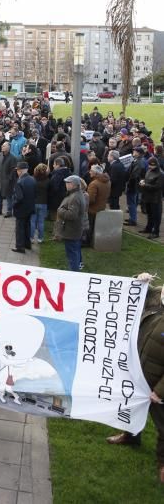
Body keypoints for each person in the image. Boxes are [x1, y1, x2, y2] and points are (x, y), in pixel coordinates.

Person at [106, 272, 164, 483]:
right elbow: (133, 295)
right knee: (131, 407)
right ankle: (130, 437)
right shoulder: (157, 296)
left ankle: (163, 464)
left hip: (159, 384)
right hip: (140, 369)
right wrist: (137, 280)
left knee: (163, 425)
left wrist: (160, 390)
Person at [55, 175, 86, 272]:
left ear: (74, 185)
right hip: (75, 229)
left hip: (71, 231)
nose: (66, 185)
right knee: (76, 249)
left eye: (68, 183)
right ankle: (78, 266)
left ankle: (74, 273)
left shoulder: (74, 197)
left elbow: (72, 215)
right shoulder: (77, 194)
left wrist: (60, 210)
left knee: (72, 253)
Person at [12, 161, 35, 254]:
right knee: (27, 226)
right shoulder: (32, 179)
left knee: (19, 228)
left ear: (20, 171)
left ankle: (20, 247)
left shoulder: (19, 181)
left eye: (17, 170)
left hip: (21, 209)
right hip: (30, 208)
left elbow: (19, 197)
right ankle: (27, 244)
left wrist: (14, 205)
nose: (17, 172)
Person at [139, 157, 163, 239]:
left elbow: (157, 187)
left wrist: (145, 185)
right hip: (147, 196)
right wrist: (143, 181)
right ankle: (148, 228)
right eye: (149, 165)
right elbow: (146, 179)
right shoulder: (149, 170)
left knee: (156, 216)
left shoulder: (160, 174)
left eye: (152, 165)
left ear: (156, 165)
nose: (150, 167)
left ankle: (156, 232)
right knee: (149, 214)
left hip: (155, 198)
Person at [0, 141, 17, 217]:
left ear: (8, 148)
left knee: (8, 197)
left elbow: (13, 170)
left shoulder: (13, 158)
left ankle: (9, 211)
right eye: (2, 146)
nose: (2, 147)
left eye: (4, 146)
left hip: (8, 181)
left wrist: (9, 179)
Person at [31, 163, 50, 243]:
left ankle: (31, 238)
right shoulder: (48, 181)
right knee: (41, 222)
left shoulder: (32, 179)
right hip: (43, 203)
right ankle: (40, 238)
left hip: (34, 202)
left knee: (32, 221)